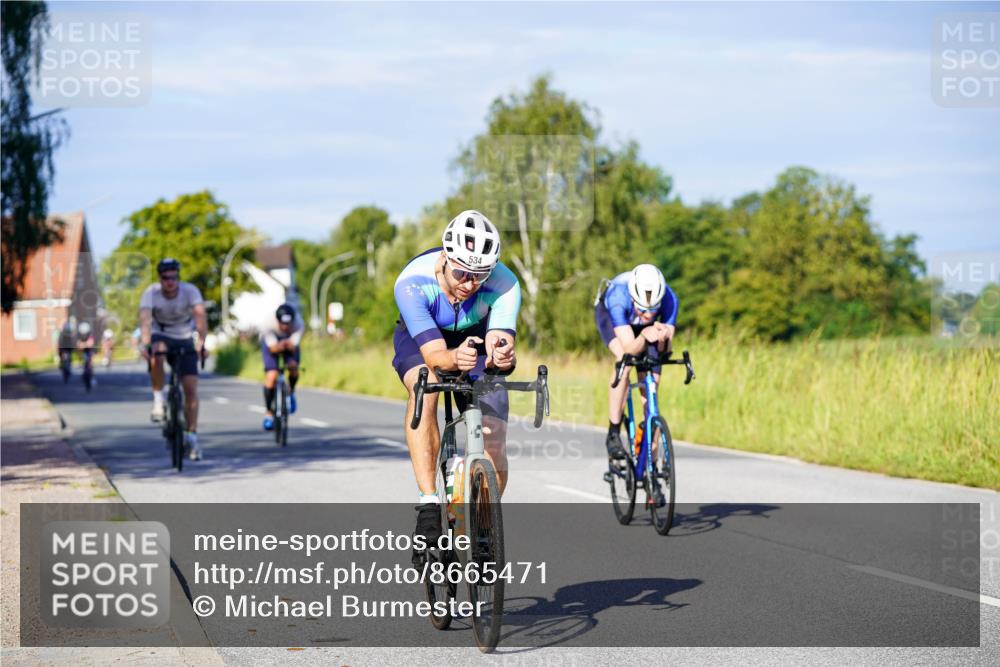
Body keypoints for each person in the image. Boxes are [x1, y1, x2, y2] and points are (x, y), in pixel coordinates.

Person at [392, 210, 520, 548]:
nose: (469, 284)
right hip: (425, 338)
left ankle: (482, 527)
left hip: (474, 336)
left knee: (496, 436)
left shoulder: (505, 283)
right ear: (446, 257)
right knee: (424, 385)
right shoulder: (412, 283)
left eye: (480, 276)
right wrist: (453, 358)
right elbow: (436, 358)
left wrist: (501, 356)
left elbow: (500, 342)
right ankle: (429, 504)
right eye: (462, 272)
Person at [595, 264, 678, 459]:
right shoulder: (618, 298)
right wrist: (643, 338)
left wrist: (665, 338)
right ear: (633, 300)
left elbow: (665, 351)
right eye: (643, 309)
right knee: (624, 363)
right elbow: (628, 349)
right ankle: (613, 431)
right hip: (615, 320)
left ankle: (651, 458)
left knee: (652, 385)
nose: (648, 314)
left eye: (654, 309)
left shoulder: (670, 299)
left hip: (647, 329)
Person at [138, 258, 208, 460]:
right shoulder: (151, 293)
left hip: (186, 335)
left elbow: (200, 317)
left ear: (178, 277)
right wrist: (145, 344)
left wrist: (201, 341)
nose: (170, 281)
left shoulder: (190, 291)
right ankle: (158, 400)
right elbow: (145, 321)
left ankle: (191, 437)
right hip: (162, 333)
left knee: (191, 390)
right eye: (166, 278)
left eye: (174, 277)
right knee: (157, 350)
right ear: (160, 279)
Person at [260, 303, 303, 430]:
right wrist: (281, 345)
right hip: (271, 343)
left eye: (288, 325)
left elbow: (293, 346)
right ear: (277, 320)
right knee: (272, 375)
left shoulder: (299, 323)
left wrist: (287, 345)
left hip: (289, 342)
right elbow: (273, 348)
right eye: (282, 324)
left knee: (293, 367)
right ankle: (268, 413)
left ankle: (291, 392)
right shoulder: (267, 324)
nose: (285, 327)